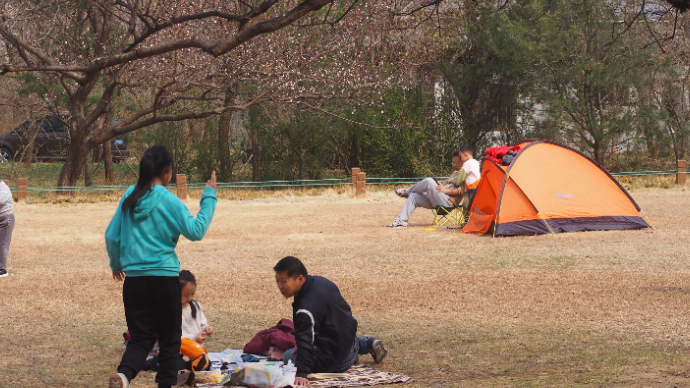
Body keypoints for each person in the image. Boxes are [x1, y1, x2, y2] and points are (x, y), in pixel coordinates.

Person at [106, 145, 218, 388]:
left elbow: (111, 236)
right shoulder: (170, 200)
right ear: (168, 171)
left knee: (140, 338)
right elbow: (196, 231)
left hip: (134, 280)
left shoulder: (129, 196)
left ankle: (124, 375)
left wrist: (116, 264)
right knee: (169, 339)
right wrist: (209, 196)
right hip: (164, 279)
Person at [274, 256, 387, 386]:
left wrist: (301, 373)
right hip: (347, 338)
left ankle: (354, 351)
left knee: (288, 356)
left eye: (283, 281)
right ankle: (363, 344)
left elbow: (306, 342)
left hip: (339, 361)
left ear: (300, 279)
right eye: (277, 281)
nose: (279, 286)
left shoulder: (306, 309)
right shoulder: (322, 282)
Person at [386, 151, 465, 227]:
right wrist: (440, 185)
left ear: (463, 162)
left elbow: (461, 191)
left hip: (447, 201)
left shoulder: (466, 175)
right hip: (438, 198)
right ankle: (401, 221)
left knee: (428, 180)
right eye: (453, 162)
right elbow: (444, 185)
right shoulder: (454, 173)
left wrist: (460, 178)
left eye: (457, 162)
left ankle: (406, 192)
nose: (454, 165)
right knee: (414, 195)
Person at [180, 270, 214, 344]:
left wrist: (206, 329)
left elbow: (202, 324)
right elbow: (174, 337)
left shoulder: (196, 306)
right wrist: (195, 337)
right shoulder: (171, 311)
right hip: (182, 352)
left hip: (198, 350)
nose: (190, 298)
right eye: (186, 295)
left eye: (192, 294)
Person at [457, 144, 481, 221]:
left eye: (461, 156)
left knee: (466, 205)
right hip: (475, 187)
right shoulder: (476, 162)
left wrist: (455, 184)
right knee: (471, 206)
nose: (461, 158)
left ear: (466, 155)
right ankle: (471, 220)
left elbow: (462, 176)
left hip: (472, 188)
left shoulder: (467, 163)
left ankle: (467, 221)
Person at [0, 180, 13, 278]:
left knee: (3, 244)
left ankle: (2, 270)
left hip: (6, 219)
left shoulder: (4, 189)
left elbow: (1, 200)